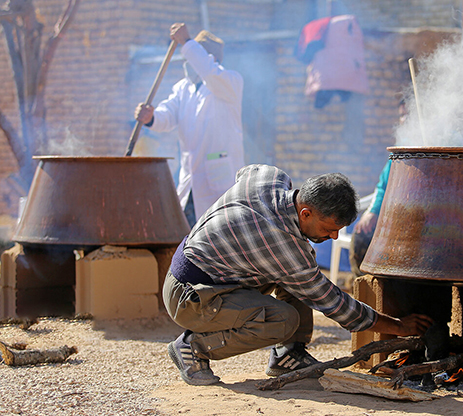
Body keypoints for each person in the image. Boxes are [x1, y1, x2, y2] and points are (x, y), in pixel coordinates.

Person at [163, 164, 435, 385]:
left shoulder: (270, 176)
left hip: (217, 274)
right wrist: (399, 327)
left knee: (303, 268)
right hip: (190, 295)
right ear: (305, 212)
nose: (334, 236)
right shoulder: (283, 247)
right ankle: (193, 347)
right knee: (283, 319)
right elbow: (337, 305)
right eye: (329, 228)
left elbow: (244, 172)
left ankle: (287, 355)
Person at [135, 23, 244, 227]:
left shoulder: (229, 83)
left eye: (194, 56)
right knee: (188, 236)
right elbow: (166, 116)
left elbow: (209, 72)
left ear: (210, 59)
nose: (189, 63)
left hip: (219, 183)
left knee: (215, 236)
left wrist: (186, 42)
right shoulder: (183, 88)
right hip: (190, 181)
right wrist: (151, 117)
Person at [349, 97, 407, 275]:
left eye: (408, 114)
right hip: (394, 212)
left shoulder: (447, 138)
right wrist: (373, 211)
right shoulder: (402, 147)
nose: (403, 120)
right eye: (402, 115)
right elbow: (383, 184)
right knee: (362, 234)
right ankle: (364, 286)